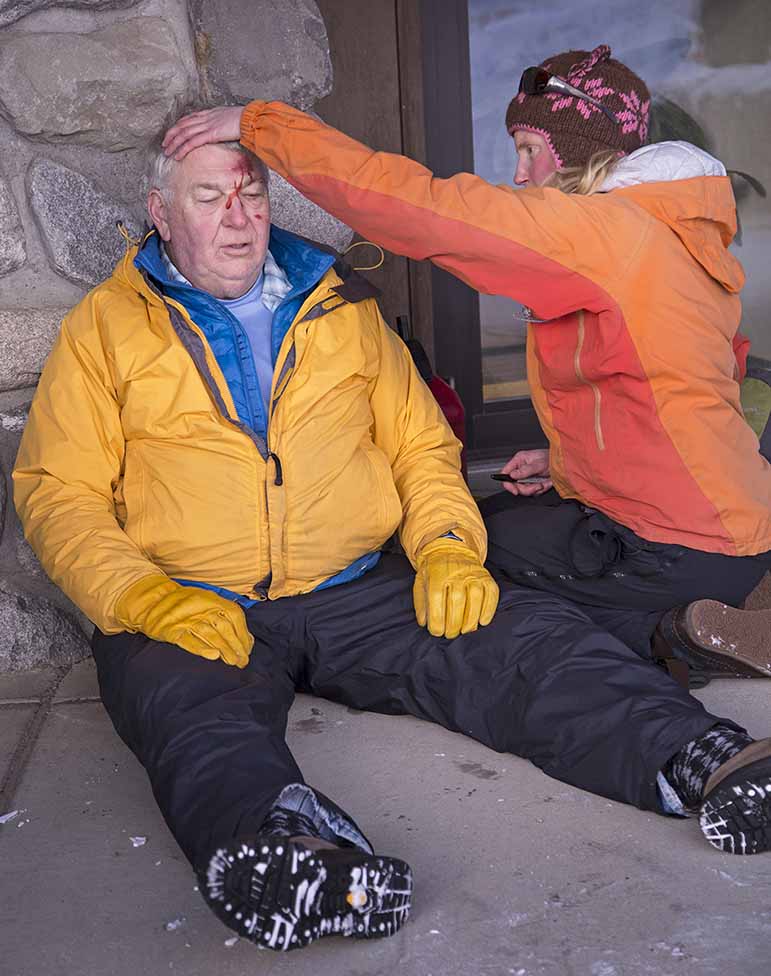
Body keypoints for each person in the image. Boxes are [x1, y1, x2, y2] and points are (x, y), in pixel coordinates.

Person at [14, 106, 771, 957]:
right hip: (189, 597)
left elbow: (419, 444)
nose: (238, 217)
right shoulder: (105, 332)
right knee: (190, 715)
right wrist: (137, 594)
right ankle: (291, 857)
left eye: (251, 194)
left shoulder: (340, 308)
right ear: (159, 212)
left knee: (520, 635)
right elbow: (58, 491)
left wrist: (446, 545)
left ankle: (708, 761)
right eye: (209, 197)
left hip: (352, 584)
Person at [161, 44, 771, 681]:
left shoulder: (603, 232)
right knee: (496, 521)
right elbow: (681, 390)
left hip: (671, 544)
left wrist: (264, 126)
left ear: (585, 151)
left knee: (464, 573)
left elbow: (425, 211)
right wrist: (574, 465)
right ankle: (738, 594)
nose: (521, 173)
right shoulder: (676, 229)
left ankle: (678, 631)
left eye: (532, 150)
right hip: (731, 525)